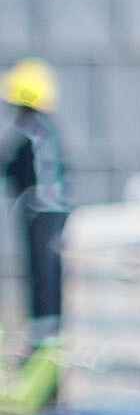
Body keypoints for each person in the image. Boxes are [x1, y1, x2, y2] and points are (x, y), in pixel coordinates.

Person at [4, 58, 71, 382]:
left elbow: (12, 167)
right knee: (48, 279)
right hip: (53, 213)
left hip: (41, 214)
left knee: (43, 280)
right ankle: (46, 345)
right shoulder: (47, 129)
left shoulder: (31, 132)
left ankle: (43, 352)